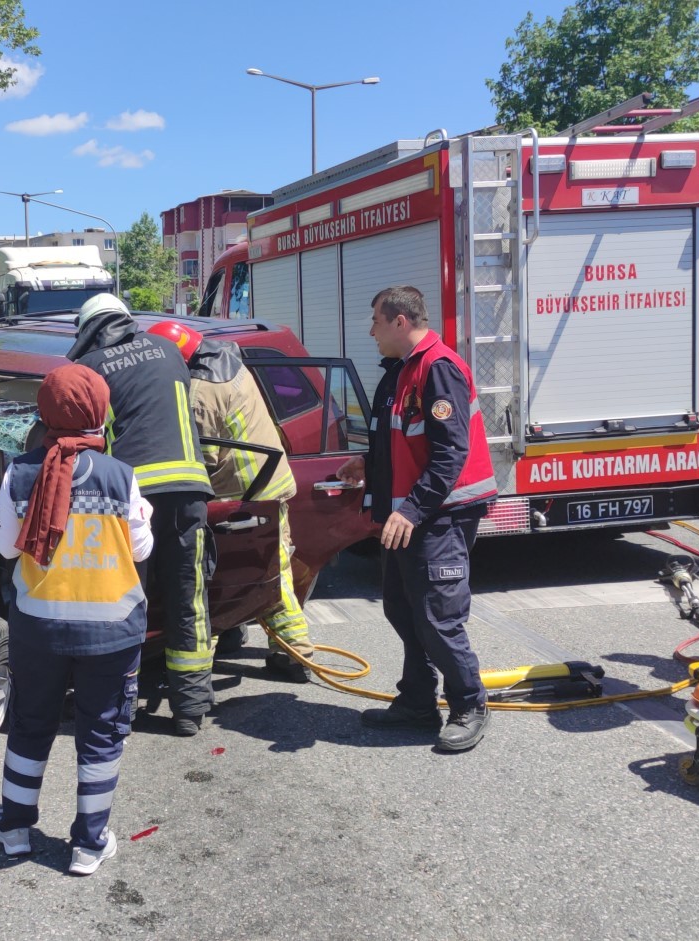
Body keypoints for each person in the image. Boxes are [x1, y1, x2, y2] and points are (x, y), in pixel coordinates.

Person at [0, 363, 153, 877]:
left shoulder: (18, 472)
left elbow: (4, 548)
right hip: (111, 632)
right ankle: (88, 844)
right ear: (99, 413)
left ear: (44, 413)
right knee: (101, 735)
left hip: (38, 629)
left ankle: (15, 830)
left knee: (30, 726)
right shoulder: (121, 476)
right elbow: (142, 547)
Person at [337, 286, 496, 753]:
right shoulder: (401, 371)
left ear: (400, 321)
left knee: (438, 617)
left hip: (438, 517)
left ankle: (469, 705)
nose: (371, 332)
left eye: (376, 322)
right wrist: (367, 465)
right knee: (403, 610)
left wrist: (411, 509)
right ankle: (418, 703)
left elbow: (450, 454)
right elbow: (402, 438)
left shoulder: (438, 368)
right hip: (410, 517)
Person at [68, 294, 214, 736]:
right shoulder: (167, 349)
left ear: (90, 329)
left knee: (126, 600)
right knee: (189, 597)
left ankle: (120, 705)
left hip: (131, 498)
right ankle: (190, 709)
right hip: (189, 490)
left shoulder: (90, 368)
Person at [148, 320, 313, 683]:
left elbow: (200, 461)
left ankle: (296, 655)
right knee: (257, 572)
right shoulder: (228, 361)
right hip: (266, 483)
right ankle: (258, 640)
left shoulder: (200, 394)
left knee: (261, 574)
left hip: (243, 494)